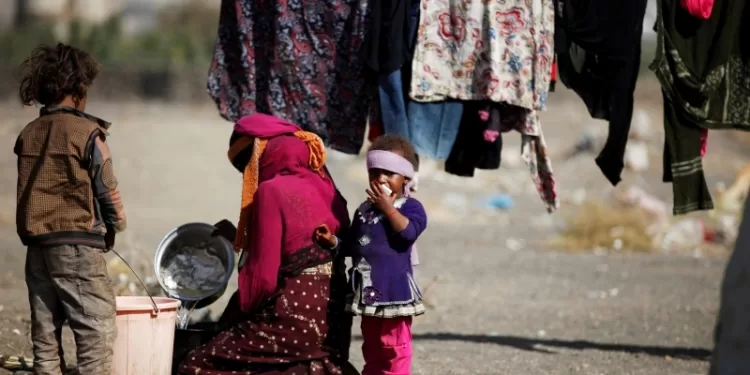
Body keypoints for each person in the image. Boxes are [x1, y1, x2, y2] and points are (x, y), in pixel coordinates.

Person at [178, 113, 357, 375]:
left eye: (247, 167)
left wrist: (231, 320)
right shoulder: (326, 185)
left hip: (293, 321)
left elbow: (262, 282)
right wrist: (244, 238)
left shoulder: (271, 191)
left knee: (195, 365)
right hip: (335, 327)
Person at [15, 43, 127, 375]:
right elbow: (108, 189)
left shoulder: (29, 134)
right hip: (77, 246)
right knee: (96, 328)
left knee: (45, 333)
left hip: (37, 246)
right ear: (79, 90)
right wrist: (115, 226)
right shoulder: (89, 133)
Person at [314, 135, 428, 375]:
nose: (380, 179)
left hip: (394, 293)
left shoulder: (410, 207)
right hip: (368, 294)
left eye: (389, 173)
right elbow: (355, 245)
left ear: (405, 177)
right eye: (374, 173)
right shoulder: (364, 209)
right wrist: (334, 241)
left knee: (394, 346)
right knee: (372, 345)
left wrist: (388, 208)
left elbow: (409, 233)